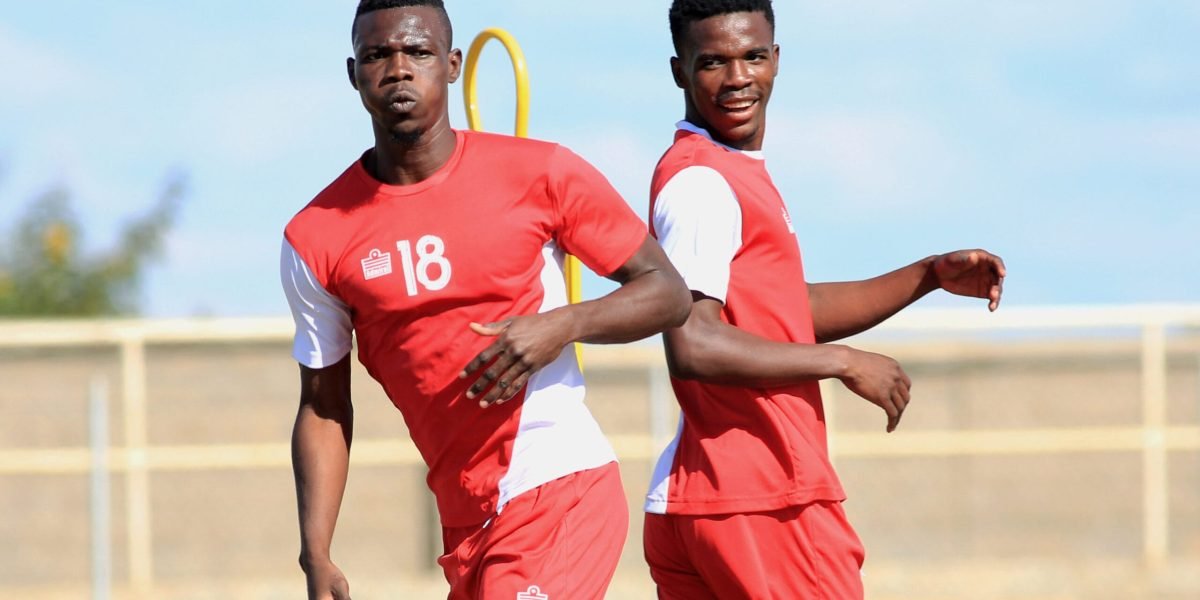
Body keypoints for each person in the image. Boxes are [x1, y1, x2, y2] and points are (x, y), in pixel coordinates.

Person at [279, 1, 692, 599]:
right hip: (468, 520)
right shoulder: (314, 236)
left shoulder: (541, 171)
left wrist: (560, 325)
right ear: (354, 73)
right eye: (378, 55)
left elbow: (668, 291)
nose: (398, 68)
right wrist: (315, 553)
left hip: (556, 486)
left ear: (451, 65)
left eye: (417, 52)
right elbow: (322, 406)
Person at [642, 1, 1007, 598]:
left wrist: (928, 276)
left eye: (753, 56)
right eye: (713, 62)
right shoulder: (702, 183)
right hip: (763, 497)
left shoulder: (728, 171)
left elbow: (784, 311)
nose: (738, 78)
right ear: (679, 71)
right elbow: (694, 340)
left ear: (777, 61)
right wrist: (844, 362)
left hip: (705, 496)